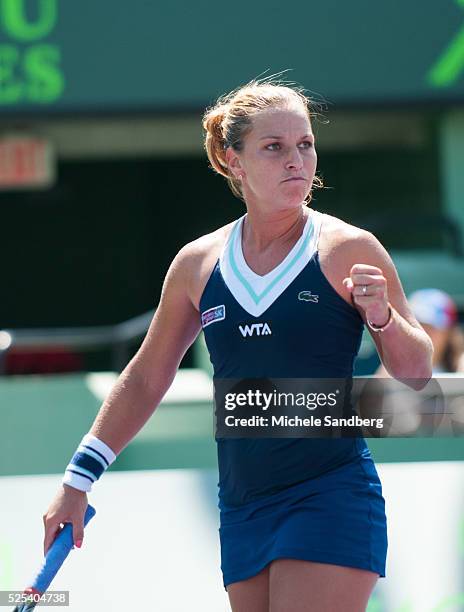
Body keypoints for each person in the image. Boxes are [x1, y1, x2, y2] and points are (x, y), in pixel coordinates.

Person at [42, 78, 433, 612]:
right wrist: (77, 479)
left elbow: (415, 373)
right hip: (243, 506)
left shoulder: (348, 248)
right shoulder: (197, 264)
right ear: (233, 161)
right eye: (274, 147)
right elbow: (145, 377)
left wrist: (382, 316)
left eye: (305, 144)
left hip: (330, 493)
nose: (296, 160)